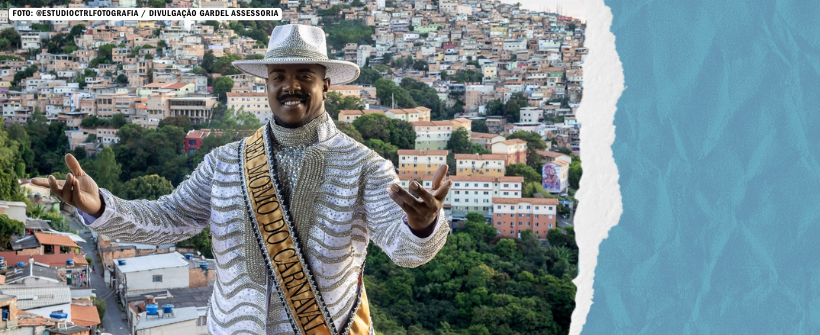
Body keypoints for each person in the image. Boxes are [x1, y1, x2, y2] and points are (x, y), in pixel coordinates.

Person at [32, 24, 452, 335]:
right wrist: (100, 207)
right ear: (264, 85)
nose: (291, 86)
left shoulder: (365, 165)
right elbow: (167, 220)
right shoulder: (224, 162)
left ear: (326, 84)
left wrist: (422, 225)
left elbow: (406, 251)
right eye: (279, 76)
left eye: (304, 75)